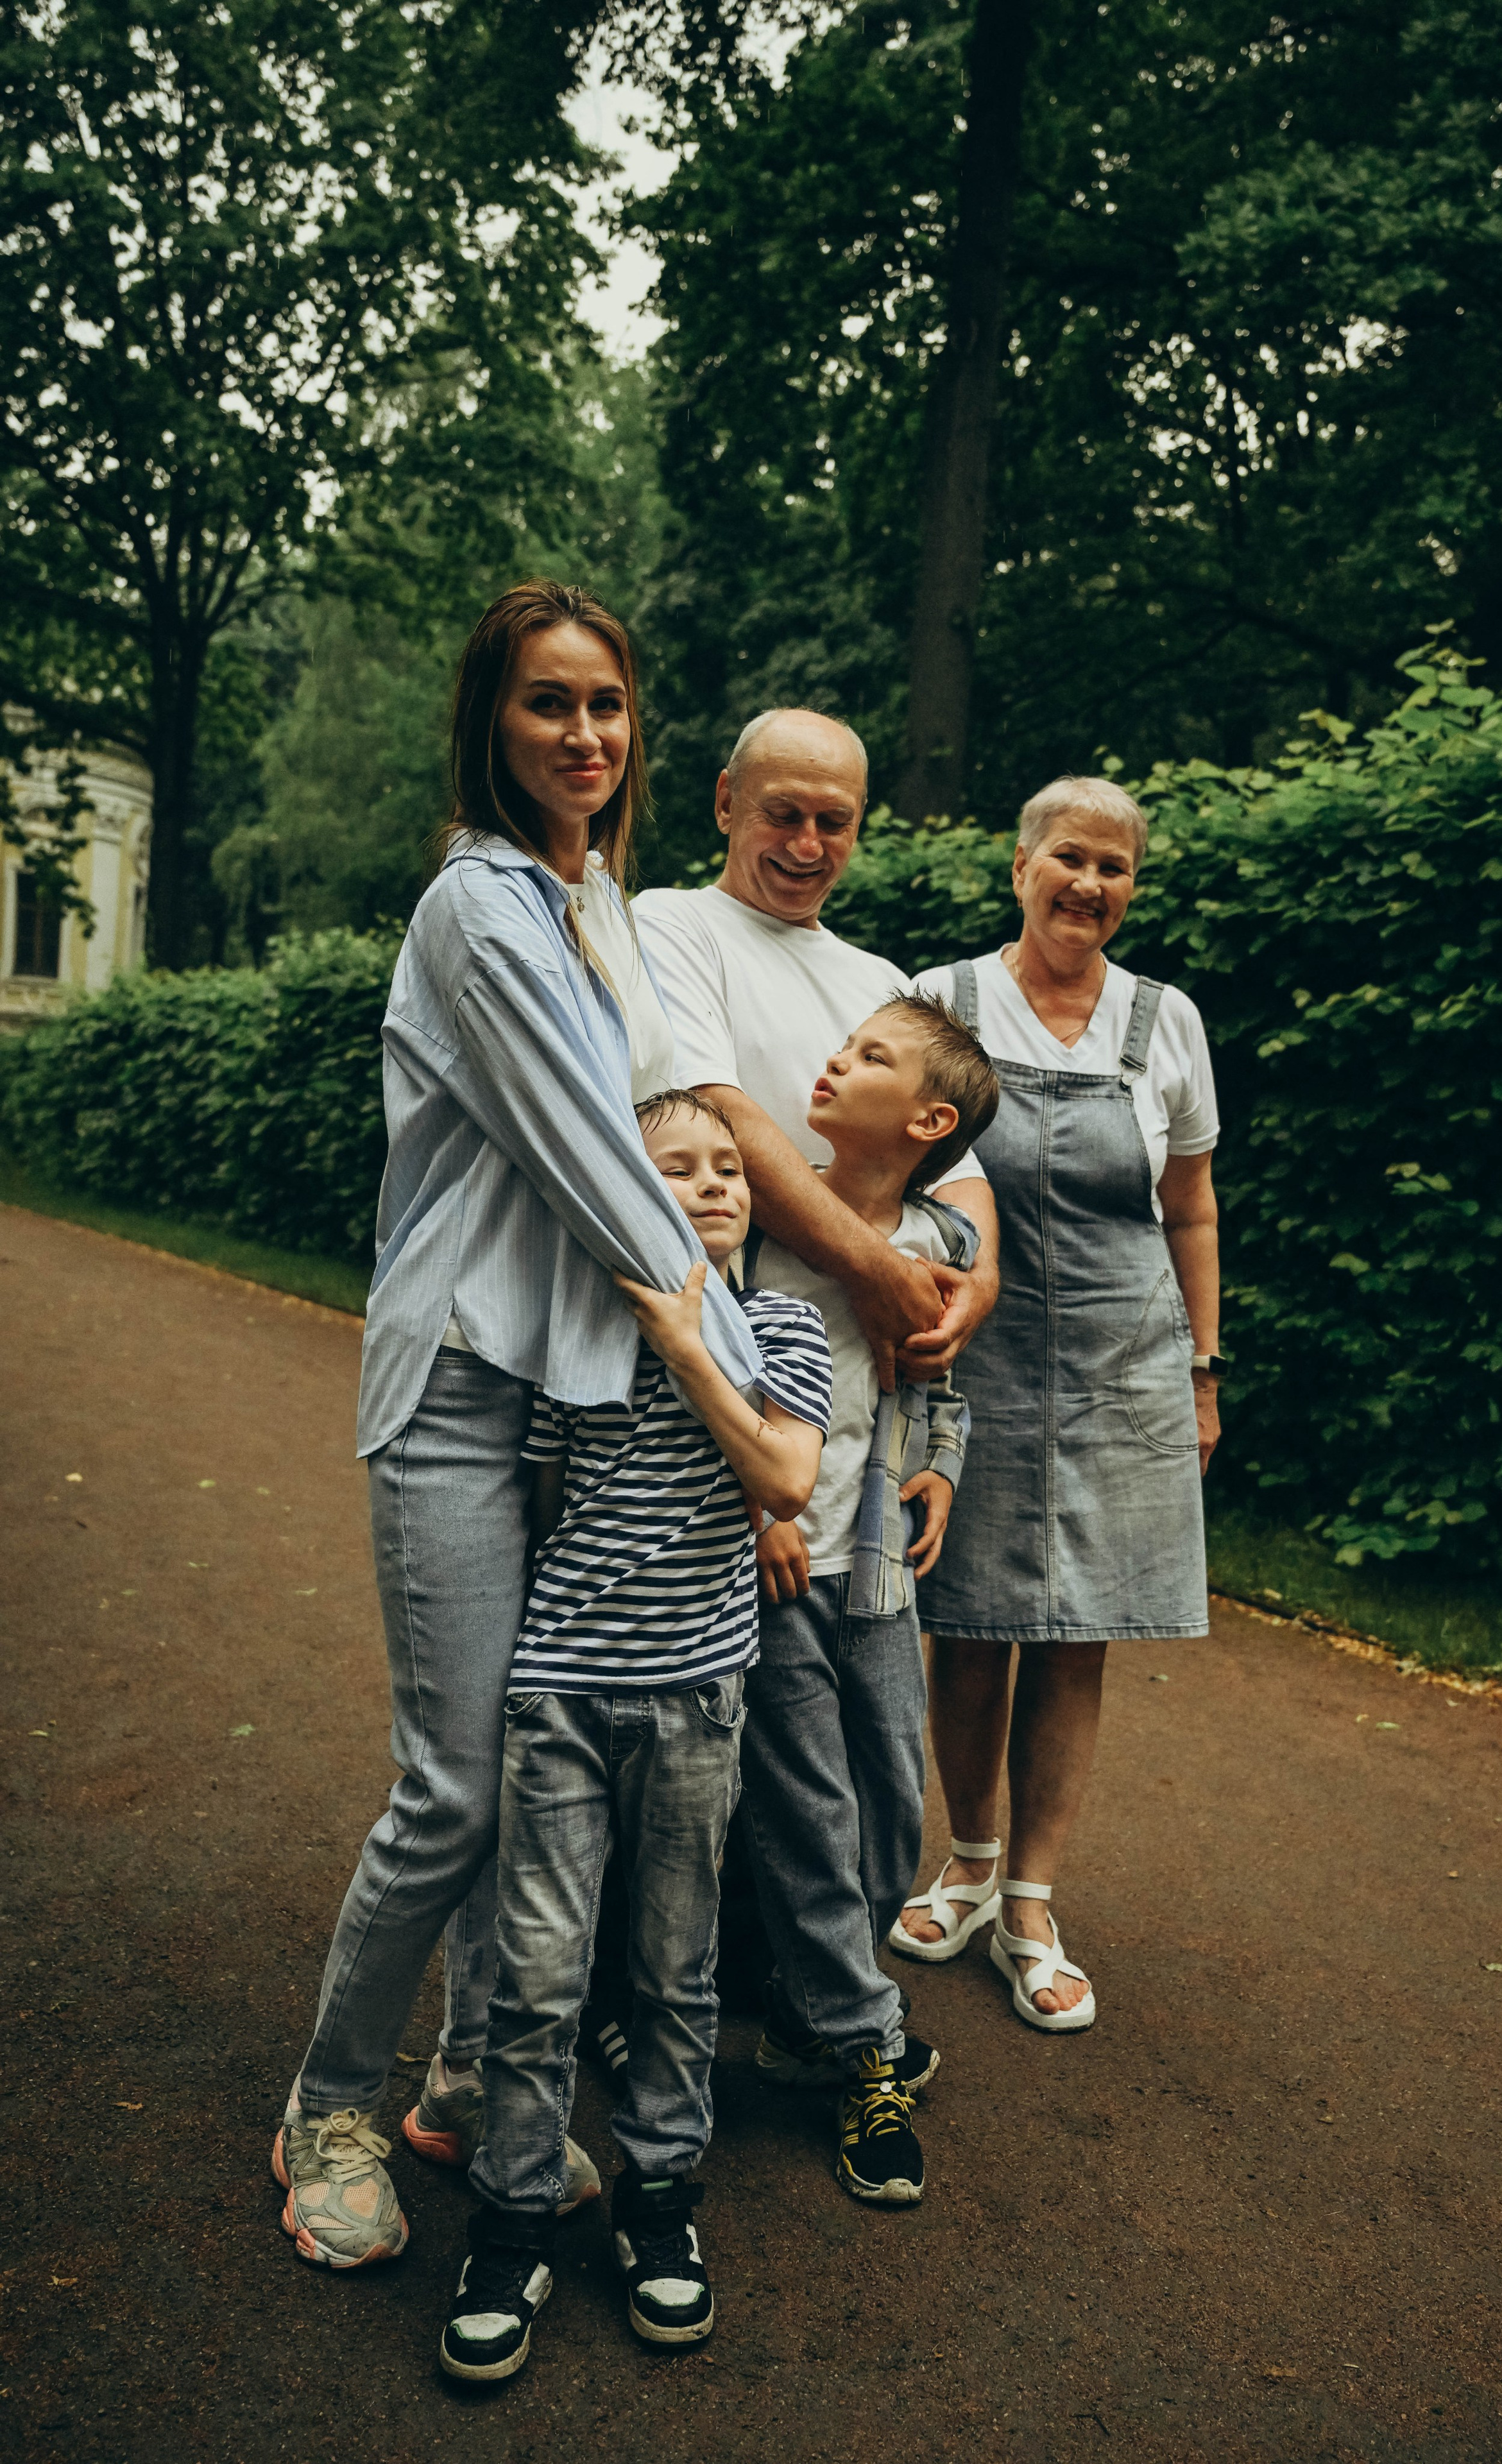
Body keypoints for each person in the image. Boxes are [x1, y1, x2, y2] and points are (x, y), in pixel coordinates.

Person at [272, 580, 767, 2270]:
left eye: (607, 707)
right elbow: (602, 1162)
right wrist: (751, 1401)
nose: (583, 735)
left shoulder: (598, 898)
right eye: (548, 704)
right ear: (493, 720)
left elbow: (684, 1123)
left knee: (534, 1761)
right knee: (454, 1788)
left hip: (578, 1392)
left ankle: (472, 2081)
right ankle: (330, 2101)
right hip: (461, 1389)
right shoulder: (483, 908)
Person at [438, 1091, 830, 2380]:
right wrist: (648, 1327)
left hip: (696, 1699)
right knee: (540, 1975)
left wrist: (683, 1343)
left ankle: (660, 2212)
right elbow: (544, 1502)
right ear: (628, 1189)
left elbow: (783, 1479)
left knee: (674, 1969)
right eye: (680, 1168)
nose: (716, 1184)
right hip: (559, 1692)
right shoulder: (576, 1337)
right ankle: (511, 2221)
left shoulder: (782, 1328)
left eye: (731, 1167)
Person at [891, 777, 1222, 2033]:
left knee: (1076, 1628)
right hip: (970, 1357)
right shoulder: (946, 1001)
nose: (1089, 885)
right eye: (1068, 859)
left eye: (1115, 868)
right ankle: (966, 1864)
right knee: (966, 1621)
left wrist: (1201, 1369)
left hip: (1123, 1368)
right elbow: (894, 1165)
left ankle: (1031, 1901)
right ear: (1020, 863)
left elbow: (1186, 1207)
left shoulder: (1164, 1021)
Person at [737, 993, 998, 2207]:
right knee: (803, 1798)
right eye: (841, 1049)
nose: (835, 1063)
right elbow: (713, 1378)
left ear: (931, 1119)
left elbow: (943, 1374)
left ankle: (809, 2006)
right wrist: (760, 1506)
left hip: (879, 1567)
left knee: (893, 1794)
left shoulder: (942, 1240)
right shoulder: (761, 1225)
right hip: (778, 1566)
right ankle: (869, 2046)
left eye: (870, 1058)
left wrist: (941, 1460)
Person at [633, 708, 998, 1392]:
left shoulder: (884, 982)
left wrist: (976, 1287)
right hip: (726, 1359)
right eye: (783, 814)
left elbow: (958, 1172)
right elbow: (718, 1116)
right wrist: (876, 1269)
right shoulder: (666, 925)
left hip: (867, 1379)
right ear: (725, 804)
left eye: (833, 823)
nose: (806, 846)